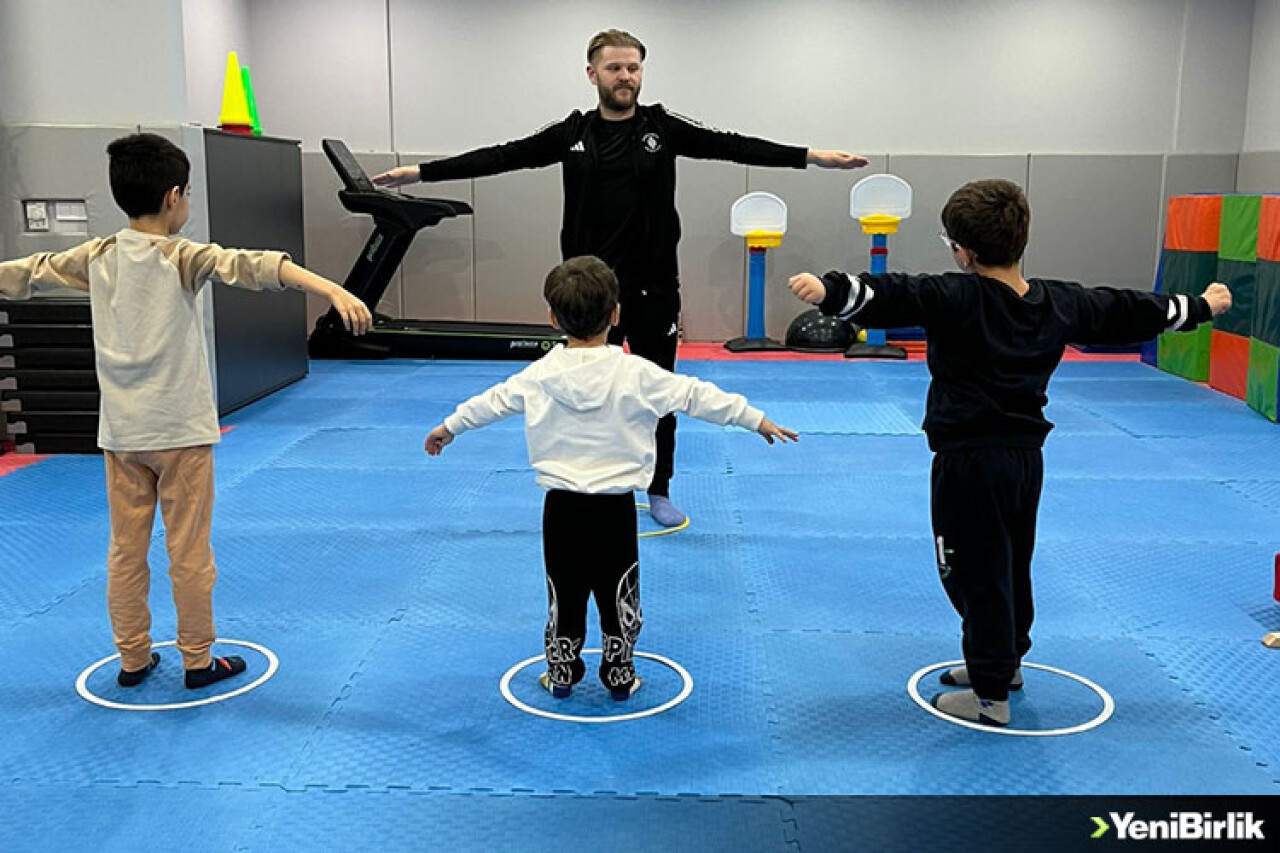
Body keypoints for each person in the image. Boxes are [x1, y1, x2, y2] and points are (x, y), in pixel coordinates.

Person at [787, 178, 1231, 726]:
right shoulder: (1059, 302)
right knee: (1010, 563)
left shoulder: (957, 297)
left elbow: (891, 294)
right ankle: (1006, 660)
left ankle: (990, 694)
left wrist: (828, 290)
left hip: (969, 463)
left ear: (963, 252)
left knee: (971, 571)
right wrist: (1200, 306)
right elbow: (1128, 310)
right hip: (1024, 462)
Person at [381, 28, 864, 528]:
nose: (626, 76)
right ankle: (585, 474)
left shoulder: (662, 127)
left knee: (662, 392)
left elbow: (731, 145)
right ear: (592, 74)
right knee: (577, 391)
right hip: (588, 290)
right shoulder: (572, 133)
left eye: (633, 67)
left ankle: (659, 488)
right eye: (615, 68)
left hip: (654, 284)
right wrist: (420, 173)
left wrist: (810, 157)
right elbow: (503, 156)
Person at [0, 133, 372, 689]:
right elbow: (257, 266)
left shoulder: (97, 256)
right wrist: (332, 291)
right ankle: (198, 660)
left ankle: (132, 659)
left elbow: (27, 272)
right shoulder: (181, 256)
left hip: (123, 437)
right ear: (174, 196)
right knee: (189, 552)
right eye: (189, 193)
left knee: (125, 552)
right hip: (180, 435)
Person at [425, 255, 796, 700]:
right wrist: (755, 419)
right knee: (619, 592)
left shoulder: (538, 375)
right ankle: (619, 675)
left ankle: (561, 674)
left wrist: (449, 427)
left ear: (552, 318)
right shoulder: (636, 373)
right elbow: (697, 396)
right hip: (614, 509)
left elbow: (491, 403)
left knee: (564, 592)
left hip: (561, 508)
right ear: (616, 314)